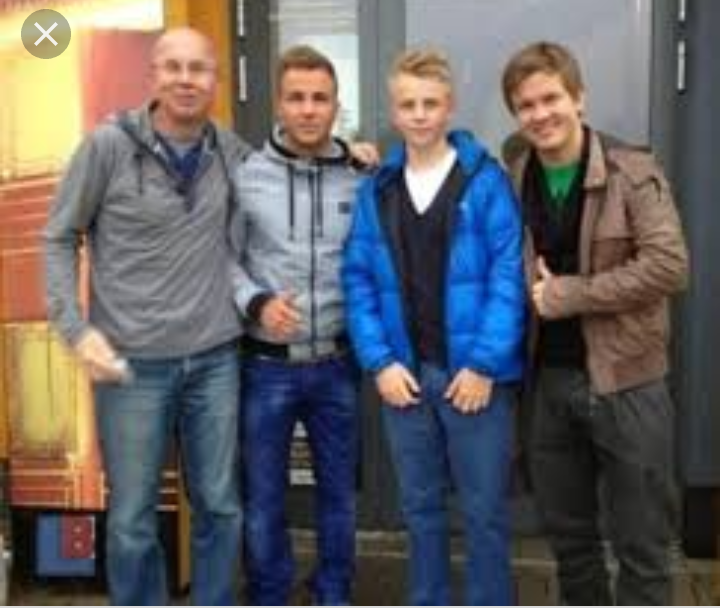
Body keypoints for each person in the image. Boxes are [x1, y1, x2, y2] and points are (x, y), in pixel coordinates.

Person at [44, 27, 249, 605]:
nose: (186, 80)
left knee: (221, 506)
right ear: (153, 75)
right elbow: (58, 236)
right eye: (173, 67)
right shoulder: (107, 147)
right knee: (132, 521)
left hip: (215, 360)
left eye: (198, 69)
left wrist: (351, 156)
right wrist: (75, 328)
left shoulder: (230, 152)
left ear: (216, 79)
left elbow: (291, 172)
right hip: (131, 367)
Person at [500, 41, 689, 605]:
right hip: (549, 385)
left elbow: (669, 266)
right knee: (571, 546)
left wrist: (571, 294)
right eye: (526, 105)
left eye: (551, 98)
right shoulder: (515, 173)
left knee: (644, 547)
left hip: (628, 383)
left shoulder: (633, 170)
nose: (541, 114)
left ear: (578, 98)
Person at [342, 49, 526, 605]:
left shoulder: (485, 181)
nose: (419, 115)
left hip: (473, 381)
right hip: (405, 379)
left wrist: (484, 364)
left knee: (484, 513)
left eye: (430, 103)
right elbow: (358, 281)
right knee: (419, 511)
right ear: (393, 111)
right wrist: (379, 363)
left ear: (449, 107)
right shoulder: (378, 189)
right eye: (408, 105)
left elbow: (507, 279)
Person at [230, 45, 365, 605]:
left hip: (338, 363)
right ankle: (270, 594)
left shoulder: (360, 178)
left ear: (336, 105)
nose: (309, 109)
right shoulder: (246, 177)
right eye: (297, 98)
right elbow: (223, 258)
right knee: (264, 497)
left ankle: (334, 592)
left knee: (340, 494)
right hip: (267, 367)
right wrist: (256, 302)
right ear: (278, 106)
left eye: (320, 98)